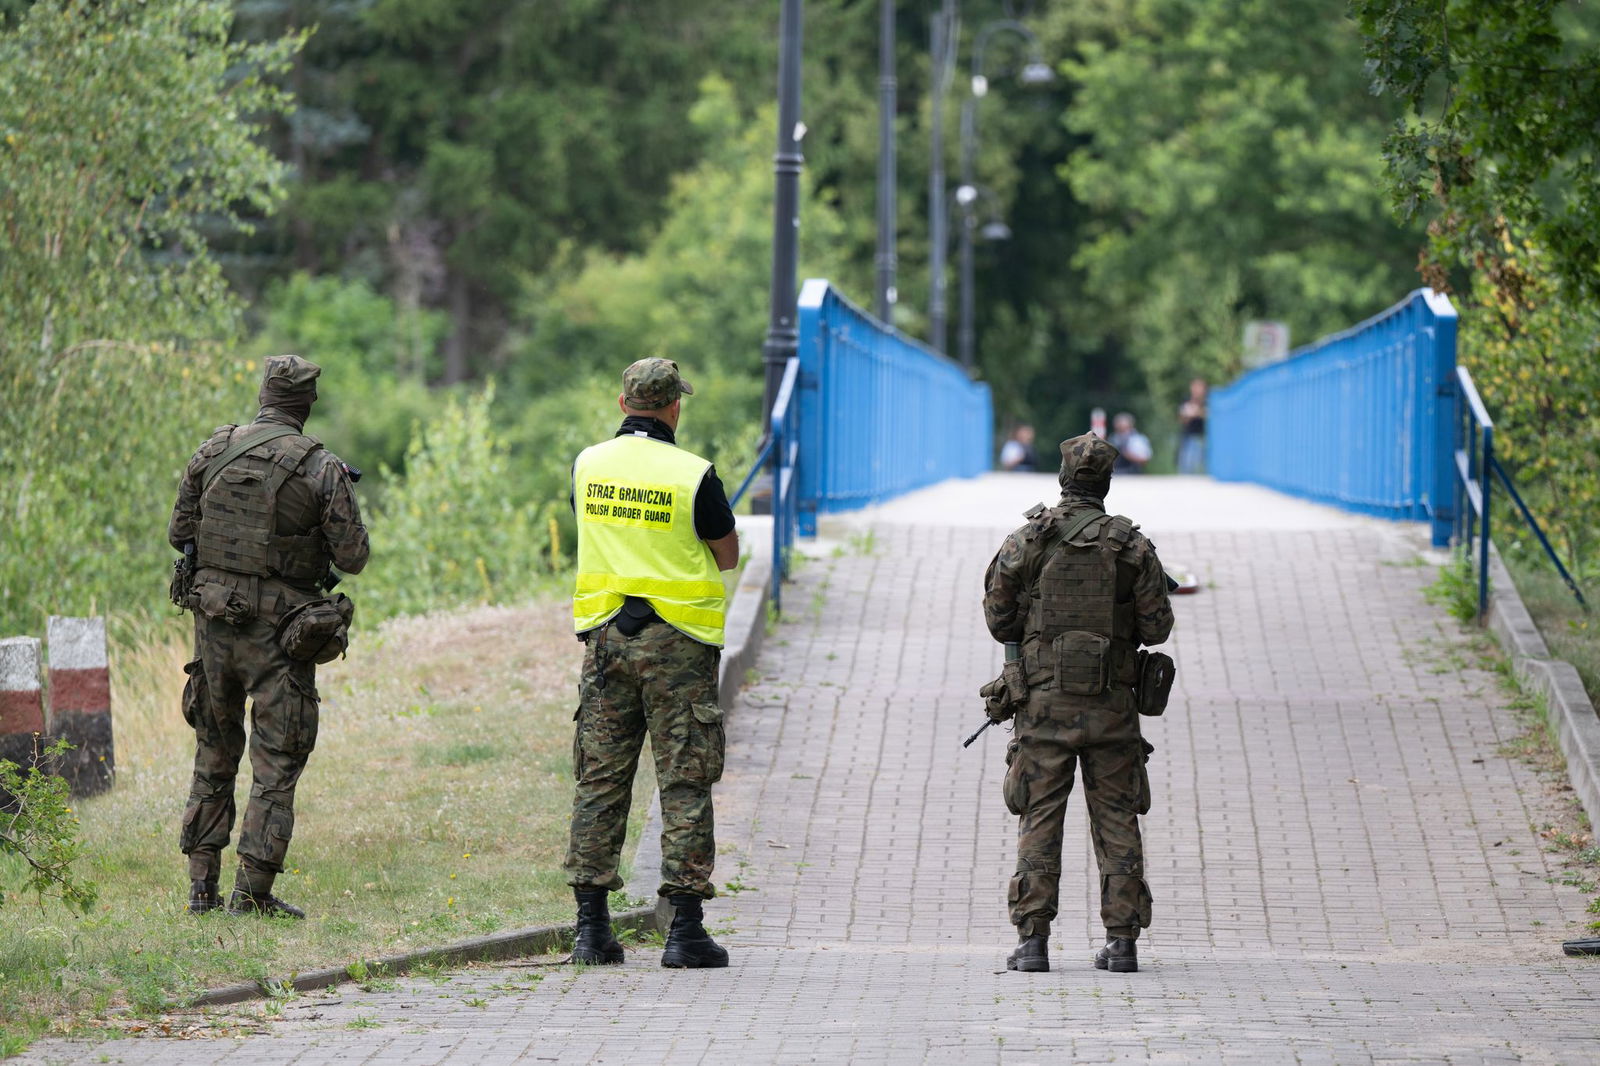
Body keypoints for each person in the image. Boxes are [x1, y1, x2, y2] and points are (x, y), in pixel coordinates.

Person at [168, 354, 369, 919]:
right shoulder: (321, 468)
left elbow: (179, 531)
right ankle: (252, 895)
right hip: (279, 633)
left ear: (264, 394)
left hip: (212, 625)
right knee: (277, 761)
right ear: (306, 404)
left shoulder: (215, 449)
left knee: (214, 749)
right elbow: (353, 558)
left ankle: (201, 889)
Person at [564, 357, 739, 969]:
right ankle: (685, 931)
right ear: (674, 407)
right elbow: (726, 554)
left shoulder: (588, 464)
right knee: (685, 779)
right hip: (679, 642)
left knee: (601, 778)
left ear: (622, 404)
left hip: (607, 637)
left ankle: (591, 929)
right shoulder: (694, 475)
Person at [981, 434, 1174, 974]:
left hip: (1044, 705)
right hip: (1112, 706)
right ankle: (1121, 943)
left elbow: (999, 622)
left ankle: (1033, 942)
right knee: (1116, 818)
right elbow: (1157, 627)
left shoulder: (1028, 540)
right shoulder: (1132, 547)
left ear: (1064, 478)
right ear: (1106, 484)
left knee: (1040, 815)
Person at [1177, 378, 1207, 475]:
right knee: (1187, 464)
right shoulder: (1186, 400)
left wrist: (1196, 412)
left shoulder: (1208, 401)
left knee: (1204, 466)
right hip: (1189, 436)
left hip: (1204, 437)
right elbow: (1182, 419)